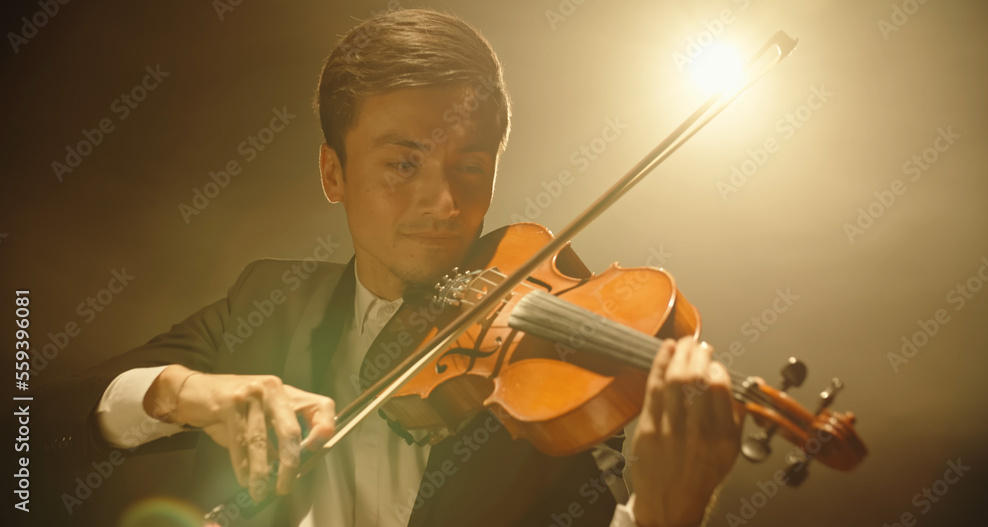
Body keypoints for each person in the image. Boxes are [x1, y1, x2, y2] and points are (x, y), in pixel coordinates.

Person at [35, 8, 742, 527]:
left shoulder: (548, 385)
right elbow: (33, 430)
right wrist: (189, 395)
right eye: (403, 163)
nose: (444, 200)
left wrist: (663, 514)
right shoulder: (268, 300)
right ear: (333, 173)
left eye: (470, 166)